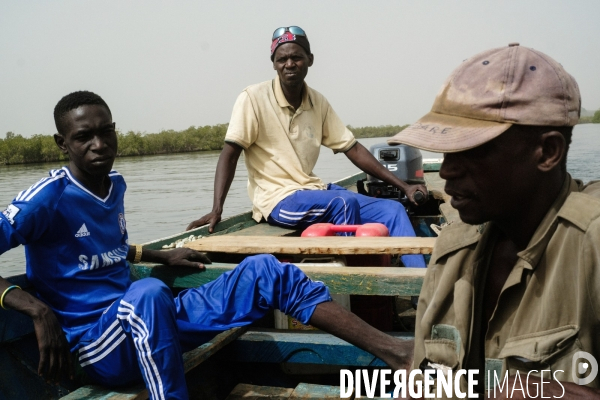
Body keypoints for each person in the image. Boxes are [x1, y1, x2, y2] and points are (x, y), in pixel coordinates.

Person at [0, 91, 413, 400]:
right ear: (62, 143)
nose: (99, 144)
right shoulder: (46, 197)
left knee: (265, 270)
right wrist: (33, 308)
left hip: (148, 326)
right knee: (147, 292)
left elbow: (107, 247)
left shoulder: (114, 187)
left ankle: (396, 352)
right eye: (83, 136)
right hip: (94, 344)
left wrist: (158, 255)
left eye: (105, 132)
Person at [388, 44, 600, 398]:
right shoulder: (452, 248)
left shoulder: (591, 242)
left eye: (473, 149)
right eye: (445, 151)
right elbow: (425, 377)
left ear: (547, 152)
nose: (448, 170)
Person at [187, 26, 427, 267]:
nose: (289, 64)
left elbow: (352, 149)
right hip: (278, 200)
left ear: (310, 60)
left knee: (393, 210)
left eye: (296, 57)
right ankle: (354, 289)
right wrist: (216, 209)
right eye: (282, 59)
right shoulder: (252, 98)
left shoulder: (317, 102)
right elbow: (229, 155)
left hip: (314, 190)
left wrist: (404, 186)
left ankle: (423, 292)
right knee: (343, 202)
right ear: (273, 63)